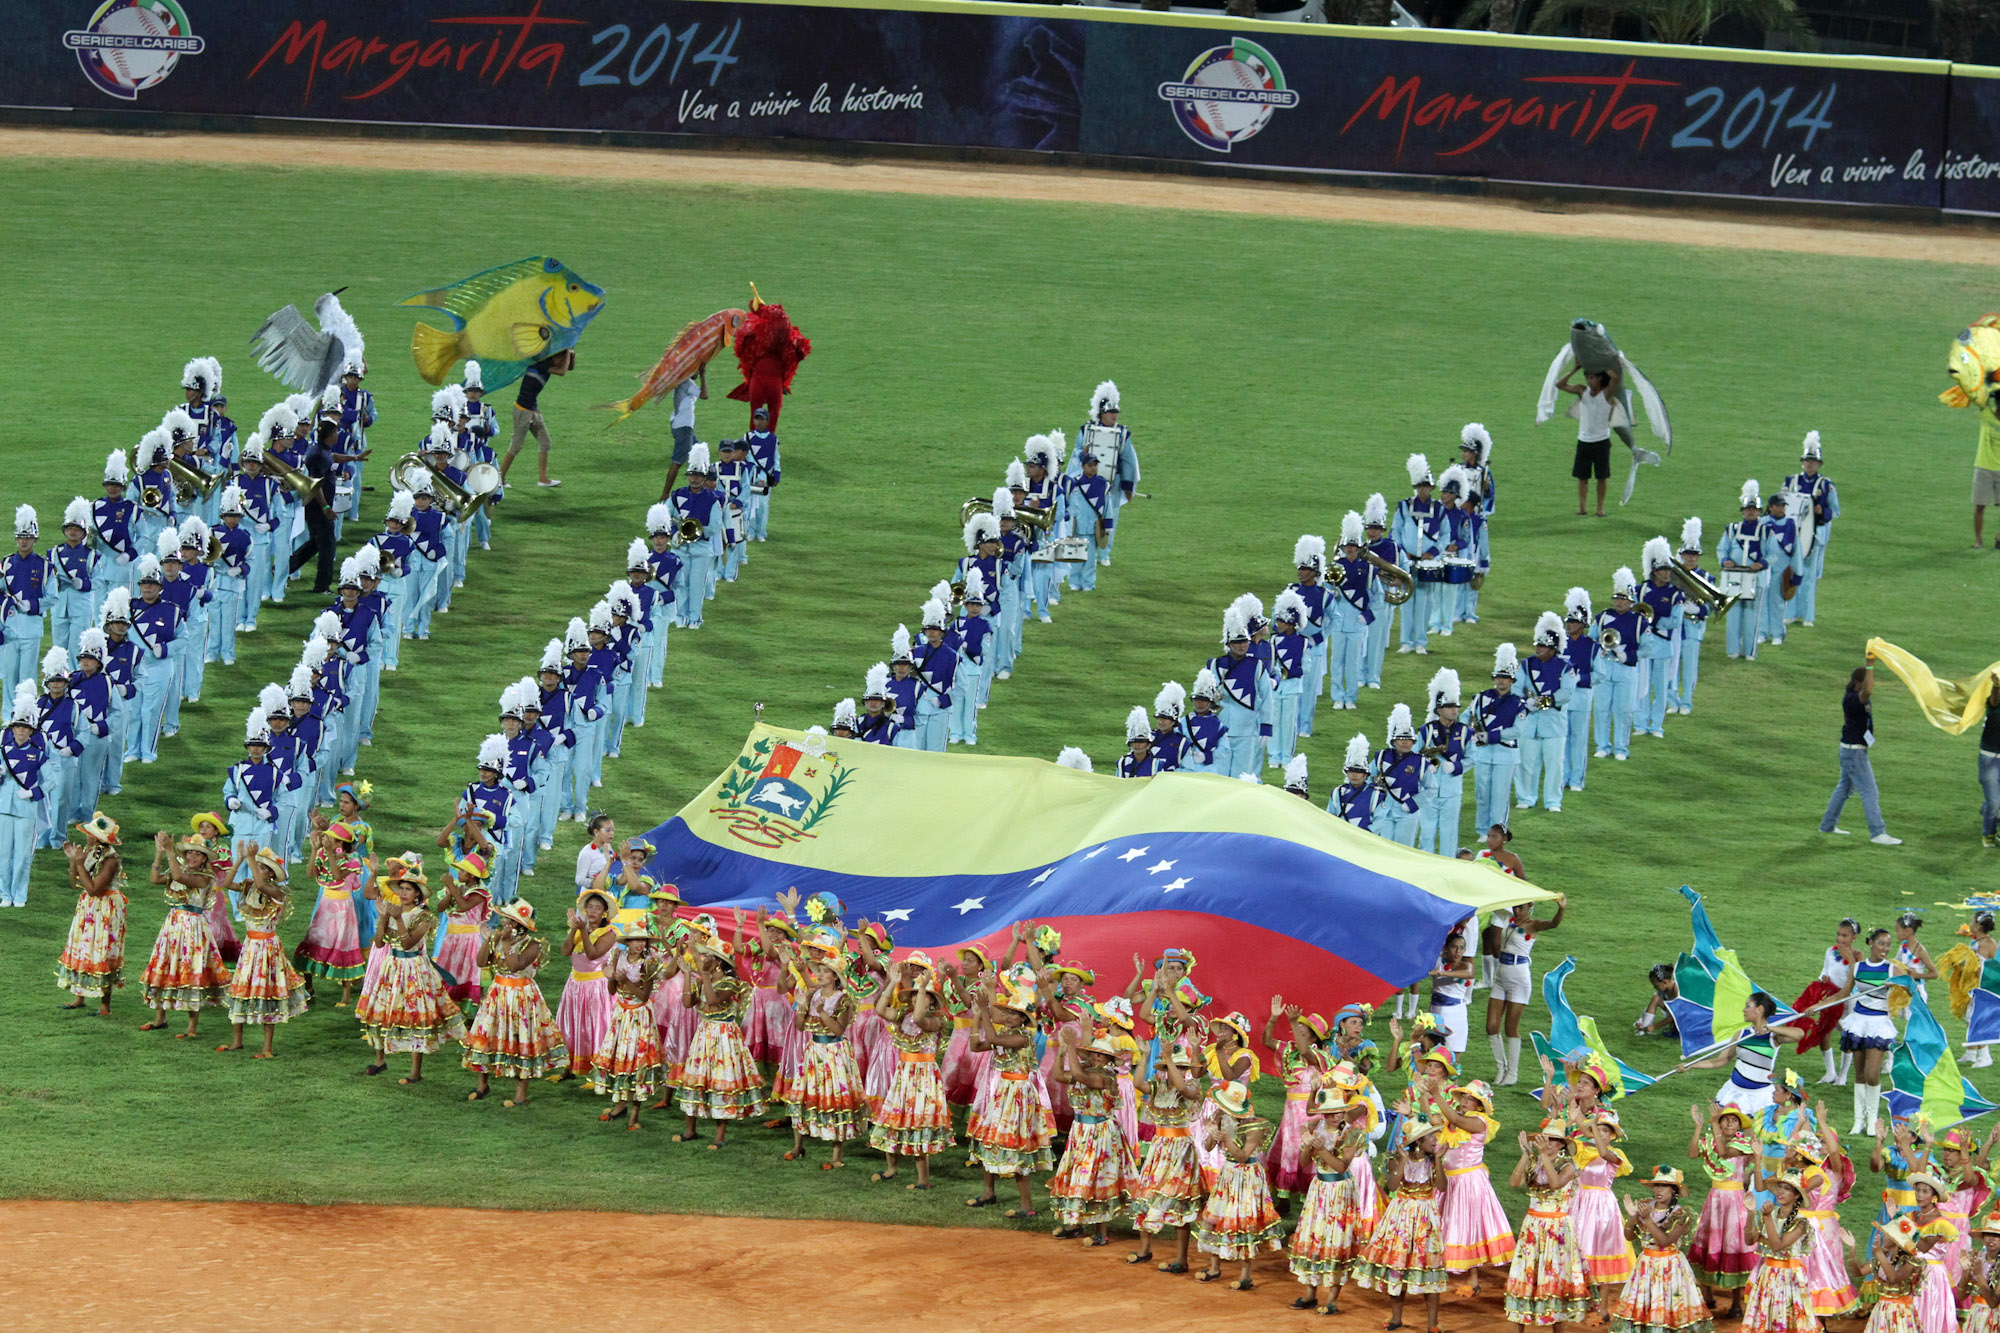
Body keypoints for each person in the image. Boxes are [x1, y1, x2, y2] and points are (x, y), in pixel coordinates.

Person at [463, 898, 568, 1106]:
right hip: (498, 993)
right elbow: (481, 962)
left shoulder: (533, 945)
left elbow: (514, 966)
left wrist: (507, 945)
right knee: (487, 1036)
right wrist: (487, 940)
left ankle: (521, 1094)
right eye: (505, 920)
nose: (505, 924)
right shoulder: (499, 938)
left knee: (521, 1041)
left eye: (510, 921)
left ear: (521, 926)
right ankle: (482, 1084)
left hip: (521, 997)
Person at [1354, 1119, 1448, 1330]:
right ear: (1418, 1141)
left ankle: (1432, 1324)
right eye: (1431, 1137)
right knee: (1398, 1266)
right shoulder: (1395, 1159)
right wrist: (1404, 1160)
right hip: (1401, 1217)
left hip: (1425, 1217)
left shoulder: (1435, 1161)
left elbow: (1442, 1187)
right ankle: (1396, 1318)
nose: (1435, 1140)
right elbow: (1393, 1185)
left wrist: (1440, 1161)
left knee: (1429, 1268)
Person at [217, 845, 308, 1057]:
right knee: (241, 988)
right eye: (258, 866)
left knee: (267, 993)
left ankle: (267, 1047)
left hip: (267, 948)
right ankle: (237, 1041)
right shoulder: (250, 886)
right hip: (250, 946)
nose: (257, 869)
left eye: (263, 867)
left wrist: (250, 858)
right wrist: (240, 859)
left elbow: (259, 883)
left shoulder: (277, 892)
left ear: (271, 874)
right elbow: (226, 883)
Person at [1192, 1079, 1284, 1288]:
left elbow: (1242, 1156)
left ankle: (1246, 1275)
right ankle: (1214, 1268)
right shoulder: (1221, 1116)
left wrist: (1225, 1138)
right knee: (1217, 1216)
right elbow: (1207, 1147)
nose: (1223, 1111)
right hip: (1228, 1175)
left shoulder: (1255, 1127)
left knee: (1244, 1222)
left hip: (1247, 1177)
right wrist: (1212, 1134)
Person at [1504, 1119, 1590, 1327]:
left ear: (1562, 1145)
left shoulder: (1569, 1166)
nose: (1548, 1143)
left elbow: (1556, 1183)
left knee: (1555, 1281)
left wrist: (1542, 1155)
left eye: (1554, 1140)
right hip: (1533, 1227)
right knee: (1526, 1277)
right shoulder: (1534, 1162)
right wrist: (1526, 1155)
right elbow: (1514, 1183)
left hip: (1557, 1229)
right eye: (1546, 1139)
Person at [1612, 1166, 1708, 1333]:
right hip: (1646, 1266)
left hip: (1670, 1267)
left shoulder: (1683, 1214)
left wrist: (1647, 1219)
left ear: (1674, 1191)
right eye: (1656, 1185)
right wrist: (1633, 1217)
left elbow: (1664, 1241)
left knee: (1668, 1308)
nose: (1659, 1190)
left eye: (1664, 1186)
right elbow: (1629, 1236)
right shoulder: (1645, 1206)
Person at [592, 920, 666, 1130]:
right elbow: (612, 991)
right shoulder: (619, 956)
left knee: (637, 1062)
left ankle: (635, 1113)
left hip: (639, 1017)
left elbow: (643, 996)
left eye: (642, 940)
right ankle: (620, 1105)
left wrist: (625, 981)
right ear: (628, 942)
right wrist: (610, 977)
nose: (639, 944)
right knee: (621, 1059)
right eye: (635, 939)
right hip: (622, 1015)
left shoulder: (649, 963)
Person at [1821, 654, 1901, 845]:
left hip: (1851, 751)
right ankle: (1877, 833)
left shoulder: (1853, 695)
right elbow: (1869, 691)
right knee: (1870, 792)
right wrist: (1870, 666)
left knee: (1844, 788)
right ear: (1858, 683)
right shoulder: (1853, 699)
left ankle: (1827, 826)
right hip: (1854, 753)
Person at [1487, 897, 1565, 1087]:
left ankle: (1512, 1072)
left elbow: (1553, 924)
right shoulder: (1510, 921)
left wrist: (1561, 908)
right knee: (1491, 1025)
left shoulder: (1533, 925)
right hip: (1501, 974)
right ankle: (1501, 1067)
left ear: (1530, 906)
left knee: (1510, 1027)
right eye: (1515, 907)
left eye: (1521, 907)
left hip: (1519, 977)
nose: (1516, 910)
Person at [55, 812, 128, 1015]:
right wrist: (73, 862)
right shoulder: (90, 851)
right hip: (88, 907)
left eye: (91, 833)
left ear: (97, 837)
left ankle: (105, 1004)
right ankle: (80, 997)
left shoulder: (110, 859)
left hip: (106, 908)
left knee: (103, 950)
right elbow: (75, 883)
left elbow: (95, 888)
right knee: (83, 947)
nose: (87, 835)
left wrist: (79, 864)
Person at [1515, 612, 1575, 814]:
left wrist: (1546, 701)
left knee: (1554, 766)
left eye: (1542, 646)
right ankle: (1526, 797)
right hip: (1530, 722)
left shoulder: (1565, 667)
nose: (1537, 649)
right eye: (1537, 645)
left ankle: (1553, 800)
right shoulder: (1526, 664)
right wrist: (1526, 702)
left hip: (1554, 724)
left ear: (1552, 649)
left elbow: (1567, 692)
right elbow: (1516, 690)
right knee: (1526, 763)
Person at [1469, 643, 1524, 838]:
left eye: (1505, 678)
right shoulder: (1481, 698)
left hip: (1505, 755)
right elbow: (1467, 717)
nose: (1501, 681)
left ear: (1512, 680)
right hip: (1483, 753)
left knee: (1499, 796)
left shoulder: (1518, 703)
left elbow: (1517, 731)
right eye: (1498, 677)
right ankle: (1483, 831)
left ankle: (1497, 833)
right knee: (1482, 794)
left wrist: (1491, 736)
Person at [1417, 667, 1468, 857]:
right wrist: (1425, 765)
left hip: (1453, 790)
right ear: (1439, 710)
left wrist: (1455, 766)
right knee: (1427, 833)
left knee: (1449, 834)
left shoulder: (1464, 732)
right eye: (1450, 706)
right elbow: (1413, 754)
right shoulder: (1426, 731)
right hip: (1429, 789)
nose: (1455, 710)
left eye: (1456, 706)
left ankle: (1448, 869)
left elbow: (1474, 757)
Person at [1557, 364, 1620, 518]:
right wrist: (1574, 369)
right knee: (1582, 477)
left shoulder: (1606, 393)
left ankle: (1600, 508)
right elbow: (1560, 385)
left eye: (1592, 377)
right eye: (1587, 377)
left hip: (1601, 441)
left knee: (1601, 477)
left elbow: (1615, 377)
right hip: (1584, 440)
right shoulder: (1582, 391)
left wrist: (1601, 362)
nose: (1588, 380)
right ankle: (1582, 507)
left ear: (1599, 378)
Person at [287, 415, 339, 594]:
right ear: (330, 434)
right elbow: (315, 485)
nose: (338, 434)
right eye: (336, 431)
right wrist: (326, 508)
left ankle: (283, 569)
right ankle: (322, 587)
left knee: (315, 544)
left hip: (317, 508)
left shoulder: (321, 450)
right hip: (318, 509)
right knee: (328, 547)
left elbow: (333, 458)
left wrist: (354, 458)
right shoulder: (318, 455)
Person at [501, 350, 567, 488]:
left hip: (532, 410)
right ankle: (500, 478)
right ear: (553, 356)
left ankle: (543, 479)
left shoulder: (544, 364)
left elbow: (567, 367)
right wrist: (570, 351)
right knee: (516, 446)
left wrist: (568, 352)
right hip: (523, 411)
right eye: (560, 358)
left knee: (545, 442)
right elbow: (562, 371)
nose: (561, 361)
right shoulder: (540, 365)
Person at [1667, 521, 1711, 716]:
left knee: (1689, 667)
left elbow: (1710, 606)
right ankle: (1672, 700)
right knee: (1671, 666)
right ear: (1682, 555)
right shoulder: (1672, 576)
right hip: (1675, 626)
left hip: (1693, 626)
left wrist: (1698, 610)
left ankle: (1687, 701)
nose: (1691, 558)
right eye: (1688, 555)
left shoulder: (1706, 577)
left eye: (1695, 555)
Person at [1718, 481, 1766, 661]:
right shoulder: (1731, 529)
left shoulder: (1765, 531)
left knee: (1752, 617)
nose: (1751, 512)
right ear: (1742, 511)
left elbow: (1774, 554)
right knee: (1733, 616)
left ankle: (1750, 652)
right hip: (1734, 577)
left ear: (1760, 512)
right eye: (1748, 509)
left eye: (1754, 509)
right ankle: (1732, 650)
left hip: (1756, 578)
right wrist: (1725, 560)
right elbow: (1721, 549)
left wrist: (1762, 563)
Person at [1980, 676, 2000, 849]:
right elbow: (1994, 701)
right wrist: (1996, 685)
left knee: (1994, 800)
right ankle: (1989, 833)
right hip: (1990, 757)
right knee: (1994, 802)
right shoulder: (1994, 705)